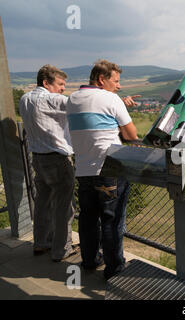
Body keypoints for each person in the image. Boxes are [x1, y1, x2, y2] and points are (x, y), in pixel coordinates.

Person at [67, 59, 138, 280]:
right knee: (112, 220)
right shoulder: (111, 98)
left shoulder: (72, 98)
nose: (118, 86)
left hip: (83, 170)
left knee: (88, 218)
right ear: (101, 79)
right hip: (109, 169)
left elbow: (93, 121)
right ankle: (114, 269)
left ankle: (89, 260)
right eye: (116, 81)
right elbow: (131, 136)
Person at [19, 64, 78, 262]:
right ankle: (61, 250)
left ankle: (41, 243)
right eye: (60, 84)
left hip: (37, 158)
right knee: (64, 206)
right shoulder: (51, 99)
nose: (63, 89)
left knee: (43, 203)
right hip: (58, 159)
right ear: (46, 83)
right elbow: (80, 106)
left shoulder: (24, 99)